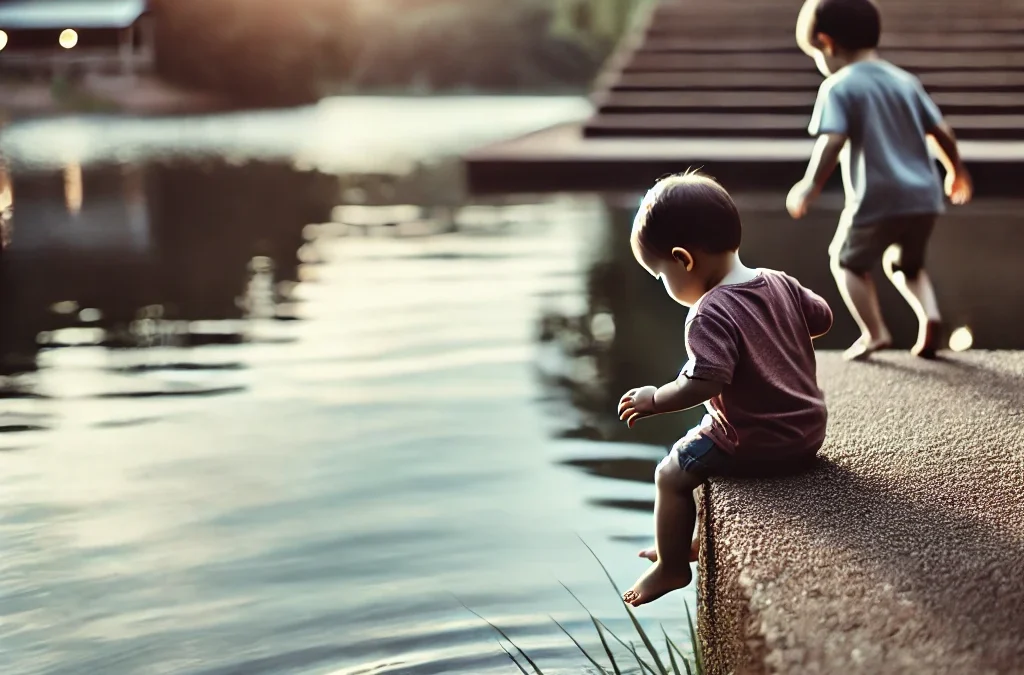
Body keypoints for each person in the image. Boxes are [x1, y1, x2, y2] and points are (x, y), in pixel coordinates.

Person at [617, 171, 832, 607]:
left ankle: (671, 566)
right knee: (701, 439)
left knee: (672, 474)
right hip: (808, 434)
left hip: (758, 443)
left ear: (683, 259)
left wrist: (655, 399)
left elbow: (705, 381)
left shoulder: (708, 311)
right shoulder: (778, 281)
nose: (664, 285)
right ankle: (686, 539)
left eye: (660, 274)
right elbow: (822, 317)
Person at [787, 0, 973, 361]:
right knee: (907, 265)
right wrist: (956, 170)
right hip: (924, 195)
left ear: (827, 43)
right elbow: (941, 131)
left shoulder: (838, 87)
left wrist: (811, 184)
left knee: (846, 261)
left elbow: (833, 141)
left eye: (815, 54)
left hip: (878, 197)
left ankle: (875, 333)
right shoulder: (905, 81)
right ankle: (930, 315)